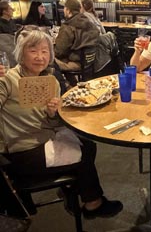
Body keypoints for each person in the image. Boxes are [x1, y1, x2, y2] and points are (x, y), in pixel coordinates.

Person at [0, 29, 123, 219]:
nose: (40, 57)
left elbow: (54, 121)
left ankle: (74, 191)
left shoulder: (50, 81)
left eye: (45, 51)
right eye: (33, 51)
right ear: (21, 53)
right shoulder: (8, 80)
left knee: (89, 145)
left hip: (46, 136)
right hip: (23, 150)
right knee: (83, 156)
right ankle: (93, 203)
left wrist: (52, 113)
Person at [54, 0, 99, 85]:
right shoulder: (90, 24)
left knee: (50, 60)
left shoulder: (68, 26)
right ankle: (73, 83)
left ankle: (67, 87)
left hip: (76, 63)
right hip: (90, 61)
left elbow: (59, 51)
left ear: (67, 10)